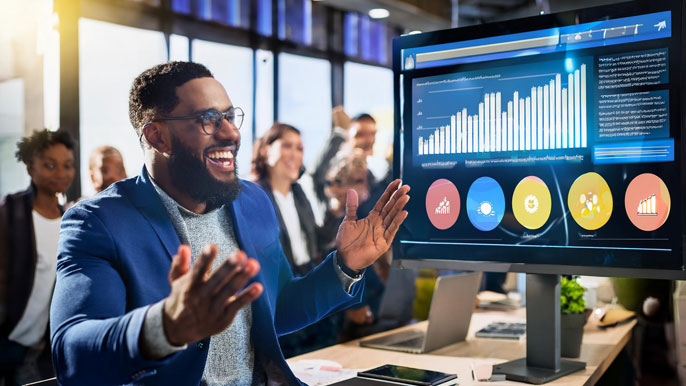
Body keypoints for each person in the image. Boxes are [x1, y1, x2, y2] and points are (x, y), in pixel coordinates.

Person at [50, 61, 410, 385]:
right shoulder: (98, 222)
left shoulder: (252, 201)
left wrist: (344, 267)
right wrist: (163, 328)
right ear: (157, 136)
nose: (231, 134)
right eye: (208, 120)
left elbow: (277, 308)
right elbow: (72, 355)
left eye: (228, 116)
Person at [0, 129, 76, 385]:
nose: (61, 173)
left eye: (67, 166)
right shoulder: (10, 210)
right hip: (7, 336)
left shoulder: (71, 218)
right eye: (50, 165)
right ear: (31, 167)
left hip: (43, 344)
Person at [251, 122, 321, 276]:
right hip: (279, 282)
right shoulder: (254, 197)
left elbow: (316, 240)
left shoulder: (298, 193)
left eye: (299, 148)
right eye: (287, 146)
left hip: (307, 276)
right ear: (265, 150)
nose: (295, 155)